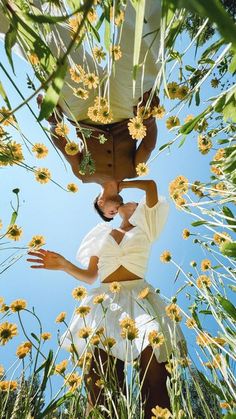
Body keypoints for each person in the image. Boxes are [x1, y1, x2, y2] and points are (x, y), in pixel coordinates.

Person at [27, 179, 185, 418]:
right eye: (105, 210)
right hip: (104, 301)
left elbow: (152, 186)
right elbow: (91, 276)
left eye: (112, 205)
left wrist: (122, 183)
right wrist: (63, 265)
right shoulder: (100, 235)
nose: (111, 209)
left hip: (140, 296)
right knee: (101, 379)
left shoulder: (147, 223)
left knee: (154, 360)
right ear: (106, 213)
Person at [0, 1, 162, 220]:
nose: (114, 214)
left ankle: (18, 10)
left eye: (108, 214)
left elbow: (66, 147)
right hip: (126, 111)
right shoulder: (133, 172)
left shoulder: (84, 175)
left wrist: (54, 123)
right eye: (114, 216)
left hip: (83, 113)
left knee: (57, 54)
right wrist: (148, 116)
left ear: (100, 202)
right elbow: (148, 145)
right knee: (139, 61)